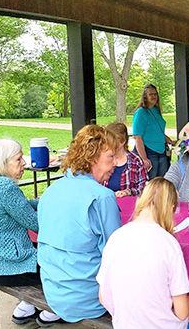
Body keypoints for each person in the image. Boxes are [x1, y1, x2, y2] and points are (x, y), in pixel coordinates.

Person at [0, 139, 60, 324]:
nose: (24, 162)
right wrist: (64, 216)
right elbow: (37, 224)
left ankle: (25, 307)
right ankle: (54, 308)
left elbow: (21, 206)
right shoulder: (4, 187)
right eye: (18, 159)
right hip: (0, 266)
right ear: (2, 163)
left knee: (41, 250)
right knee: (62, 261)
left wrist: (49, 201)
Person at [37, 125, 123, 325]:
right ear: (93, 157)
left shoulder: (50, 191)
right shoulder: (102, 197)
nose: (115, 165)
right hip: (88, 299)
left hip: (53, 291)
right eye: (110, 157)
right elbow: (117, 256)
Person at [97, 178, 189, 328]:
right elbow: (182, 312)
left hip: (124, 324)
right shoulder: (169, 243)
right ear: (171, 208)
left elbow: (103, 298)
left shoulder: (115, 237)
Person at [132, 84, 175, 179]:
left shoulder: (156, 110)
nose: (154, 96)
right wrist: (144, 158)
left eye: (155, 94)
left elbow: (158, 131)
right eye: (150, 94)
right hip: (148, 150)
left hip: (161, 150)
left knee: (163, 180)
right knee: (152, 183)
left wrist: (170, 141)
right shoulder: (141, 112)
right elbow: (137, 137)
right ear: (145, 97)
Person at [102, 122, 148, 197]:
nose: (109, 143)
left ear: (123, 141)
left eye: (113, 141)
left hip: (128, 205)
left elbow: (144, 189)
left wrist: (128, 192)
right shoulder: (101, 159)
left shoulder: (135, 161)